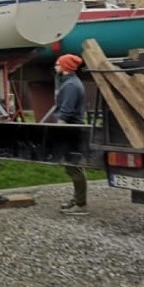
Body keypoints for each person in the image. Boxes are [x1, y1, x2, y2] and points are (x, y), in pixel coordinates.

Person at [53, 54, 88, 215]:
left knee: (74, 166)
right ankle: (77, 199)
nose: (55, 67)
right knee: (72, 166)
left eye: (58, 64)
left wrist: (59, 130)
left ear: (65, 67)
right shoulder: (70, 83)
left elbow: (66, 111)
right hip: (73, 128)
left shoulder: (71, 86)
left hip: (71, 129)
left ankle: (80, 204)